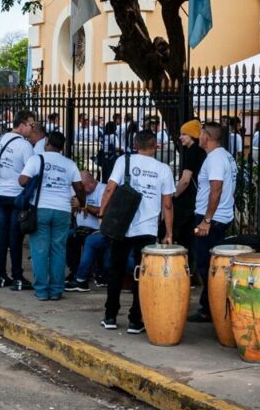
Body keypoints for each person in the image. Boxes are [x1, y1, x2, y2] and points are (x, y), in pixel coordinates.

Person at [99, 130, 175, 334]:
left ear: (135, 145)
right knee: (143, 273)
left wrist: (102, 213)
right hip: (148, 229)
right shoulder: (163, 169)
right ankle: (135, 319)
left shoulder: (124, 161)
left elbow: (109, 188)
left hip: (123, 226)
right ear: (155, 146)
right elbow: (167, 204)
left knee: (116, 270)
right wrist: (169, 232)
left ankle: (110, 316)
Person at [18, 132, 84, 301]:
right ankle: (56, 290)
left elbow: (23, 181)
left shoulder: (37, 159)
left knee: (40, 250)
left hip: (41, 208)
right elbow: (79, 188)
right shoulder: (69, 164)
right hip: (63, 210)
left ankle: (41, 290)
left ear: (46, 142)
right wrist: (81, 204)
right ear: (62, 146)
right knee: (58, 249)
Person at [190, 121, 238, 323]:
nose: (198, 137)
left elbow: (216, 189)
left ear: (206, 137)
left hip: (211, 219)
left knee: (206, 266)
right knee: (211, 265)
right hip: (219, 217)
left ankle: (210, 309)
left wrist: (207, 220)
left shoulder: (216, 159)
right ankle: (208, 307)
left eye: (200, 134)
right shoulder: (224, 155)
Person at [0, 111, 36, 290]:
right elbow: (30, 172)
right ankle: (17, 277)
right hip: (17, 195)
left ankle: (0, 275)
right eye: (31, 125)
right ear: (22, 124)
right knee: (15, 238)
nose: (32, 129)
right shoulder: (25, 146)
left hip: (2, 193)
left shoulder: (1, 139)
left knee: (3, 238)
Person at [66, 171, 106, 291]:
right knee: (69, 236)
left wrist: (83, 204)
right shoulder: (79, 192)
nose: (80, 189)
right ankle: (75, 272)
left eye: (82, 186)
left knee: (90, 240)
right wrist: (73, 206)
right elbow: (73, 210)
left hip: (97, 229)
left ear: (92, 183)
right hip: (81, 228)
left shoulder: (103, 190)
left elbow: (101, 212)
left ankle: (82, 277)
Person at [172, 119, 206, 255]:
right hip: (197, 197)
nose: (180, 138)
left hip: (188, 199)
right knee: (193, 233)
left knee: (184, 233)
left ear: (192, 135)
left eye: (184, 134)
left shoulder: (192, 151)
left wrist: (174, 194)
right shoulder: (201, 150)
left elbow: (185, 180)